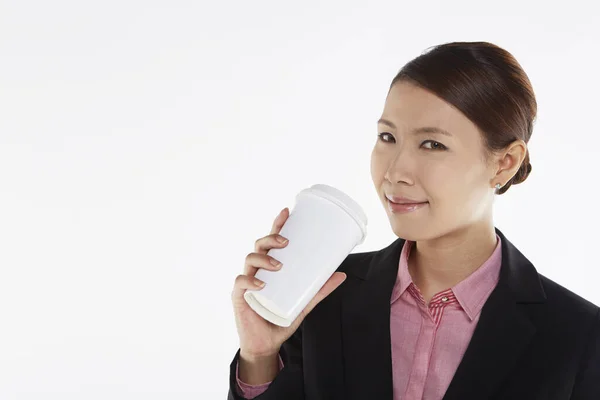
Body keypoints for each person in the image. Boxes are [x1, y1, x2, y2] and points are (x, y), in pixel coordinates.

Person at [227, 41, 600, 400]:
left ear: (505, 162)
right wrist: (259, 356)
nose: (395, 171)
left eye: (432, 144)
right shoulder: (320, 297)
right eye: (387, 137)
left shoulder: (577, 336)